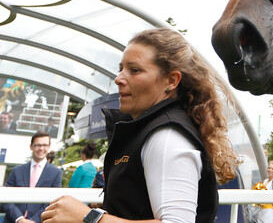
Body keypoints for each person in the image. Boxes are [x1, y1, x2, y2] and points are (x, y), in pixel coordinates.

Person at [42, 28, 240, 223]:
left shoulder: (167, 137)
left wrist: (89, 218)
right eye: (121, 69)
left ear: (171, 80)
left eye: (134, 70)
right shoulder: (149, 131)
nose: (118, 79)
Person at [2, 132, 62, 223]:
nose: (41, 148)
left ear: (49, 147)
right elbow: (6, 198)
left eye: (45, 145)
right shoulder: (16, 171)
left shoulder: (56, 173)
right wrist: (19, 219)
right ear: (31, 146)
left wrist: (34, 220)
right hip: (13, 220)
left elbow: (53, 201)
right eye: (38, 145)